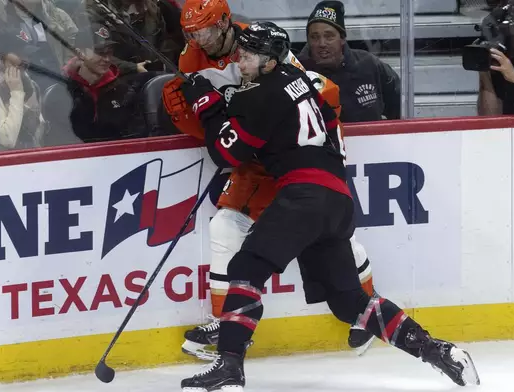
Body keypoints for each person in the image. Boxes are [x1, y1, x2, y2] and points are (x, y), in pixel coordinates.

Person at [179, 21, 480, 392]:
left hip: (302, 195)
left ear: (270, 60)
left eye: (248, 54)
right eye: (240, 51)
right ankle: (440, 352)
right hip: (336, 198)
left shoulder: (258, 93)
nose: (240, 59)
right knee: (347, 301)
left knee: (245, 266)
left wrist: (206, 105)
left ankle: (228, 369)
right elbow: (319, 120)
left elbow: (227, 151)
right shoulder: (302, 79)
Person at [161, 0, 375, 361]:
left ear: (226, 23)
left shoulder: (260, 42)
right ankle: (224, 320)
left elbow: (298, 94)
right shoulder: (190, 60)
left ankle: (364, 310)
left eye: (207, 30)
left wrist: (212, 109)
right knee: (225, 227)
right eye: (192, 33)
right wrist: (192, 114)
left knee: (330, 237)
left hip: (289, 150)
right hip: (254, 153)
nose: (201, 40)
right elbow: (215, 132)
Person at [297, 1, 401, 123]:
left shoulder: (369, 65)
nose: (322, 43)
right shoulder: (296, 72)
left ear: (342, 38)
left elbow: (399, 109)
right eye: (314, 37)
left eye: (329, 36)